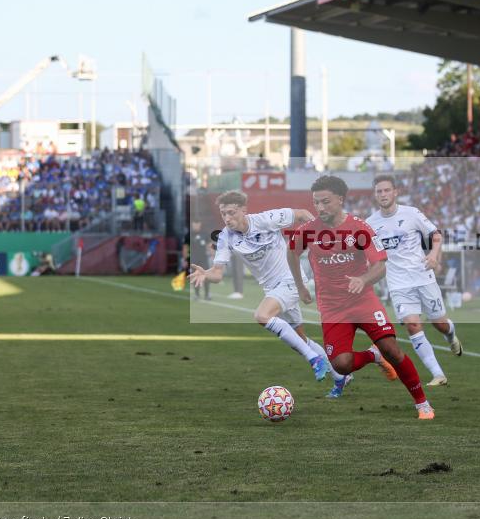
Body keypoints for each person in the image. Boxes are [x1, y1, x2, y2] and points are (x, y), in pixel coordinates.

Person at [286, 175, 435, 419]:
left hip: (363, 301)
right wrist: (300, 286)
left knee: (392, 350)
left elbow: (380, 265)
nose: (320, 208)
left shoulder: (360, 227)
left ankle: (422, 403)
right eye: (316, 203)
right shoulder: (308, 231)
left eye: (325, 202)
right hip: (332, 308)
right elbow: (291, 254)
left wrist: (363, 280)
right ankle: (372, 355)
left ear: (340, 199)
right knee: (341, 364)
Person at [188, 191, 347, 391]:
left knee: (262, 315)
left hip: (291, 280)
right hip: (273, 289)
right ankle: (340, 377)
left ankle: (314, 360)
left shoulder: (266, 219)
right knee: (301, 340)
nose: (227, 218)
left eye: (231, 212)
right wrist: (206, 273)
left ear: (243, 210)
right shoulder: (225, 238)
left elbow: (302, 214)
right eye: (223, 214)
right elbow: (218, 273)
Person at [365, 174, 461, 387]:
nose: (383, 194)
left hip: (423, 276)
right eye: (379, 191)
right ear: (375, 195)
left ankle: (451, 334)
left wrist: (434, 255)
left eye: (386, 190)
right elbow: (368, 253)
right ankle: (438, 374)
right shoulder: (370, 223)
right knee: (413, 325)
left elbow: (436, 235)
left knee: (440, 323)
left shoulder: (411, 213)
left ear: (395, 192)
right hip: (398, 284)